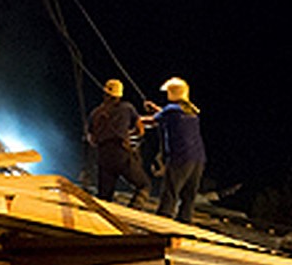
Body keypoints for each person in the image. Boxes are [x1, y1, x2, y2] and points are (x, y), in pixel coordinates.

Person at [86, 78, 152, 207]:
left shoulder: (95, 113)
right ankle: (134, 209)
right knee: (144, 185)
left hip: (103, 155)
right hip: (121, 152)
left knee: (104, 197)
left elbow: (92, 139)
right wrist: (129, 135)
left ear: (104, 94)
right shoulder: (127, 108)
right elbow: (140, 130)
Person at [149, 77, 206, 222]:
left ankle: (163, 217)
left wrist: (132, 120)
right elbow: (172, 117)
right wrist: (157, 110)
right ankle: (185, 219)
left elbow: (151, 121)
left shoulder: (170, 110)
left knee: (171, 190)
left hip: (180, 156)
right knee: (189, 194)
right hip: (198, 158)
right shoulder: (192, 110)